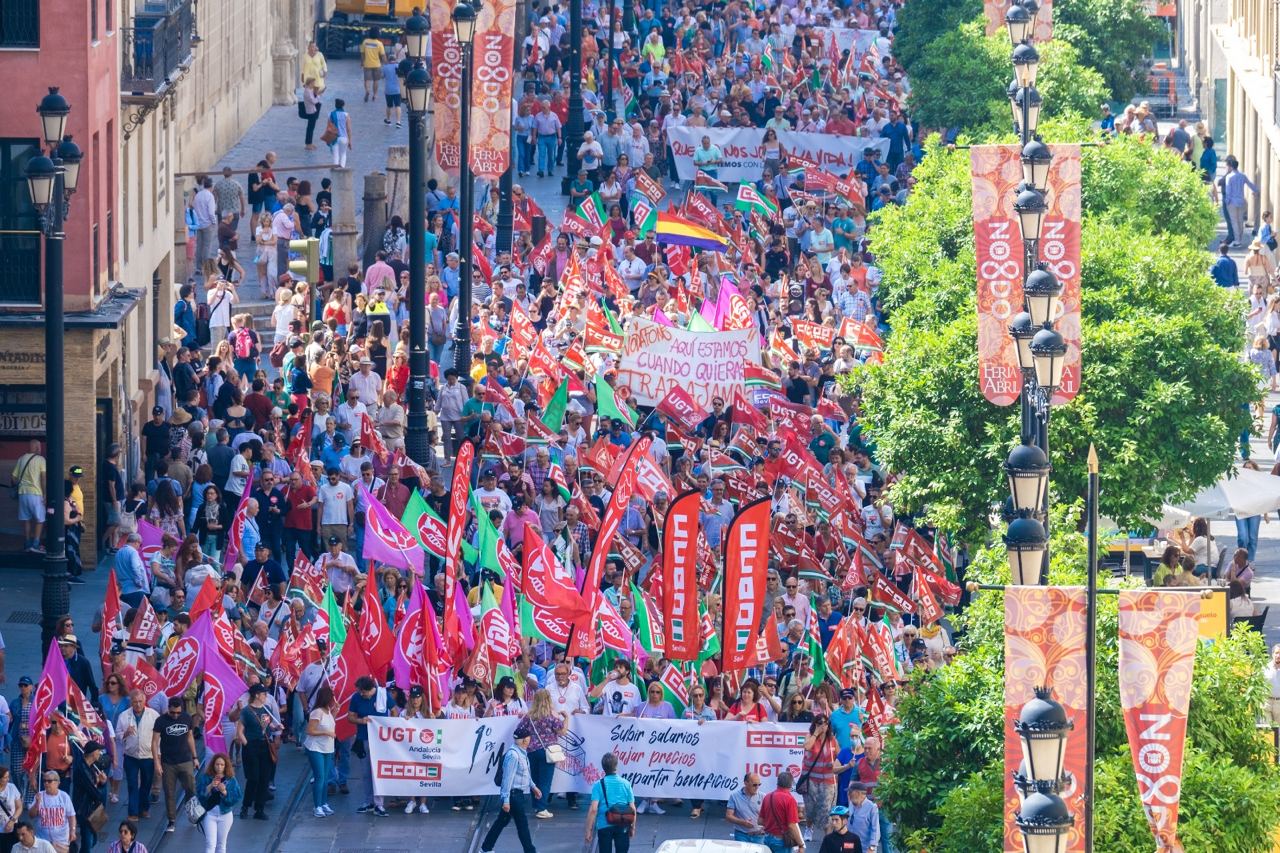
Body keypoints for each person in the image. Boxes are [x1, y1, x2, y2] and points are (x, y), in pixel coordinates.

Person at [479, 721, 539, 853]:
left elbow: (525, 774)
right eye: (528, 738)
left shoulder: (522, 753)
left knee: (502, 821)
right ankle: (530, 851)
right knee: (522, 825)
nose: (529, 740)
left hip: (517, 795)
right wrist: (506, 800)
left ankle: (485, 848)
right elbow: (508, 779)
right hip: (514, 796)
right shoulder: (513, 756)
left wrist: (533, 787)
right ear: (525, 740)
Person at [234, 683, 279, 820]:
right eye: (264, 694)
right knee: (253, 778)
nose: (266, 696)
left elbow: (267, 727)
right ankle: (245, 806)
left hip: (264, 746)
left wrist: (277, 727)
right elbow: (239, 732)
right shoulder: (247, 711)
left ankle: (259, 809)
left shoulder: (265, 710)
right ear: (257, 695)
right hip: (251, 747)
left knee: (264, 778)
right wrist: (247, 744)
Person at [153, 696, 197, 833]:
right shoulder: (160, 721)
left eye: (178, 712)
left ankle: (192, 813)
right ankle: (171, 820)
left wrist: (195, 756)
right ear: (168, 709)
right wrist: (157, 763)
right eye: (172, 713)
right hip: (168, 762)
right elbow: (154, 742)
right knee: (169, 793)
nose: (175, 715)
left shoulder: (187, 718)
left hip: (185, 759)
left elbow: (190, 737)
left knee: (191, 788)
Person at [116, 689, 159, 823]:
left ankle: (143, 808)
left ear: (144, 701)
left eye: (140, 702)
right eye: (135, 702)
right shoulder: (124, 716)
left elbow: (159, 738)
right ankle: (133, 812)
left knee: (146, 783)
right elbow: (117, 735)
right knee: (132, 784)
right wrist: (125, 733)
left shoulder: (153, 715)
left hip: (148, 756)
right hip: (131, 756)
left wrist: (158, 756)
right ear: (131, 702)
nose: (138, 705)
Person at [584, 751, 635, 853]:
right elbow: (632, 808)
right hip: (623, 823)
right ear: (616, 765)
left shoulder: (598, 785)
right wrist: (632, 827)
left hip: (604, 824)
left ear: (603, 768)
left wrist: (588, 830)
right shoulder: (626, 784)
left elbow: (593, 810)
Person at [303, 685, 338, 819]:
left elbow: (330, 723)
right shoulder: (317, 712)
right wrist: (326, 732)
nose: (334, 699)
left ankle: (323, 803)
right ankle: (317, 806)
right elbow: (310, 730)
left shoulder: (328, 711)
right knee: (320, 777)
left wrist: (335, 712)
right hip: (316, 747)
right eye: (332, 697)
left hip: (327, 748)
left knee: (324, 778)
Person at [196, 753, 242, 853]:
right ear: (213, 765)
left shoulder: (231, 780)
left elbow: (236, 797)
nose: (219, 767)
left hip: (225, 815)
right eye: (217, 764)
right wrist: (210, 786)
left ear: (226, 766)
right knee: (210, 844)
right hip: (209, 814)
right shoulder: (206, 777)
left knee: (221, 844)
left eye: (222, 765)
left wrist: (224, 792)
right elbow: (200, 795)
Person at [11, 439, 46, 552]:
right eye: (39, 447)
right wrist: (45, 494)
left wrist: (20, 484)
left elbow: (13, 478)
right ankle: (35, 545)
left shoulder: (21, 459)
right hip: (36, 493)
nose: (40, 449)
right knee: (40, 519)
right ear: (36, 448)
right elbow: (43, 478)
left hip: (22, 494)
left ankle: (27, 543)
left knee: (26, 519)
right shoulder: (41, 460)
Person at [760, 771, 804, 853]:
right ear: (791, 785)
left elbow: (760, 821)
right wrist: (801, 845)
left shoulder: (767, 796)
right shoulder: (790, 800)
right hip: (781, 841)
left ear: (778, 782)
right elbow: (792, 825)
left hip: (767, 838)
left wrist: (772, 825)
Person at [33, 770, 75, 853]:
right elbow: (31, 815)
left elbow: (71, 815)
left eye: (49, 781)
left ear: (57, 783)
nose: (46, 783)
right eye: (44, 781)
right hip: (43, 840)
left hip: (61, 841)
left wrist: (72, 830)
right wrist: (37, 803)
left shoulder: (64, 796)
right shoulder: (39, 796)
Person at [725, 773, 766, 845]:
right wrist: (743, 822)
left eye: (759, 784)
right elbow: (728, 816)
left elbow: (770, 816)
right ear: (745, 783)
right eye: (754, 785)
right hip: (741, 834)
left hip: (759, 835)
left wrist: (766, 827)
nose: (757, 787)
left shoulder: (763, 796)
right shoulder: (734, 796)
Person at [845, 783, 880, 852]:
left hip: (865, 848)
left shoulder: (872, 807)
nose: (848, 794)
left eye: (850, 792)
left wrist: (871, 848)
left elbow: (875, 830)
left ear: (857, 793)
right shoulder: (851, 803)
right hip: (850, 845)